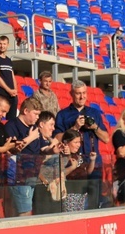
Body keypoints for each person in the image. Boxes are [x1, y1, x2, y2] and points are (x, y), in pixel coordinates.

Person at [54, 80, 109, 210]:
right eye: (78, 93)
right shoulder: (63, 114)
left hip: (93, 164)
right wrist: (75, 127)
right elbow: (57, 138)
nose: (82, 96)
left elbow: (106, 138)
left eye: (84, 93)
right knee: (74, 203)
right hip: (73, 166)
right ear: (71, 94)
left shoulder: (94, 113)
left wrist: (95, 127)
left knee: (94, 201)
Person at [5, 97, 42, 217]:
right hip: (19, 176)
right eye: (35, 114)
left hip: (32, 174)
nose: (37, 117)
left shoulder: (34, 128)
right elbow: (12, 149)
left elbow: (38, 149)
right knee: (24, 212)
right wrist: (30, 138)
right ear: (26, 111)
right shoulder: (12, 125)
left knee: (27, 209)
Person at [30, 111, 63, 215]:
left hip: (55, 186)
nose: (53, 128)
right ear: (41, 124)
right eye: (51, 125)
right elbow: (43, 153)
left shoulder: (51, 141)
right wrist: (53, 148)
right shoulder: (36, 139)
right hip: (40, 185)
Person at [60, 129, 95, 212]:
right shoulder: (62, 156)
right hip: (70, 194)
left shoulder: (78, 156)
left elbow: (88, 172)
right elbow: (60, 173)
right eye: (75, 142)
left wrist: (92, 160)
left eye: (79, 142)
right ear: (66, 142)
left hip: (82, 193)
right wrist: (72, 167)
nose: (78, 145)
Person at [0, 35, 18, 120]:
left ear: (8, 45)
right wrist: (9, 90)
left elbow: (12, 76)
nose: (2, 46)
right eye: (0, 44)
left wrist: (15, 90)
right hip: (2, 94)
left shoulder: (8, 60)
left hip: (12, 95)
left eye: (4, 44)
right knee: (0, 118)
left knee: (11, 119)